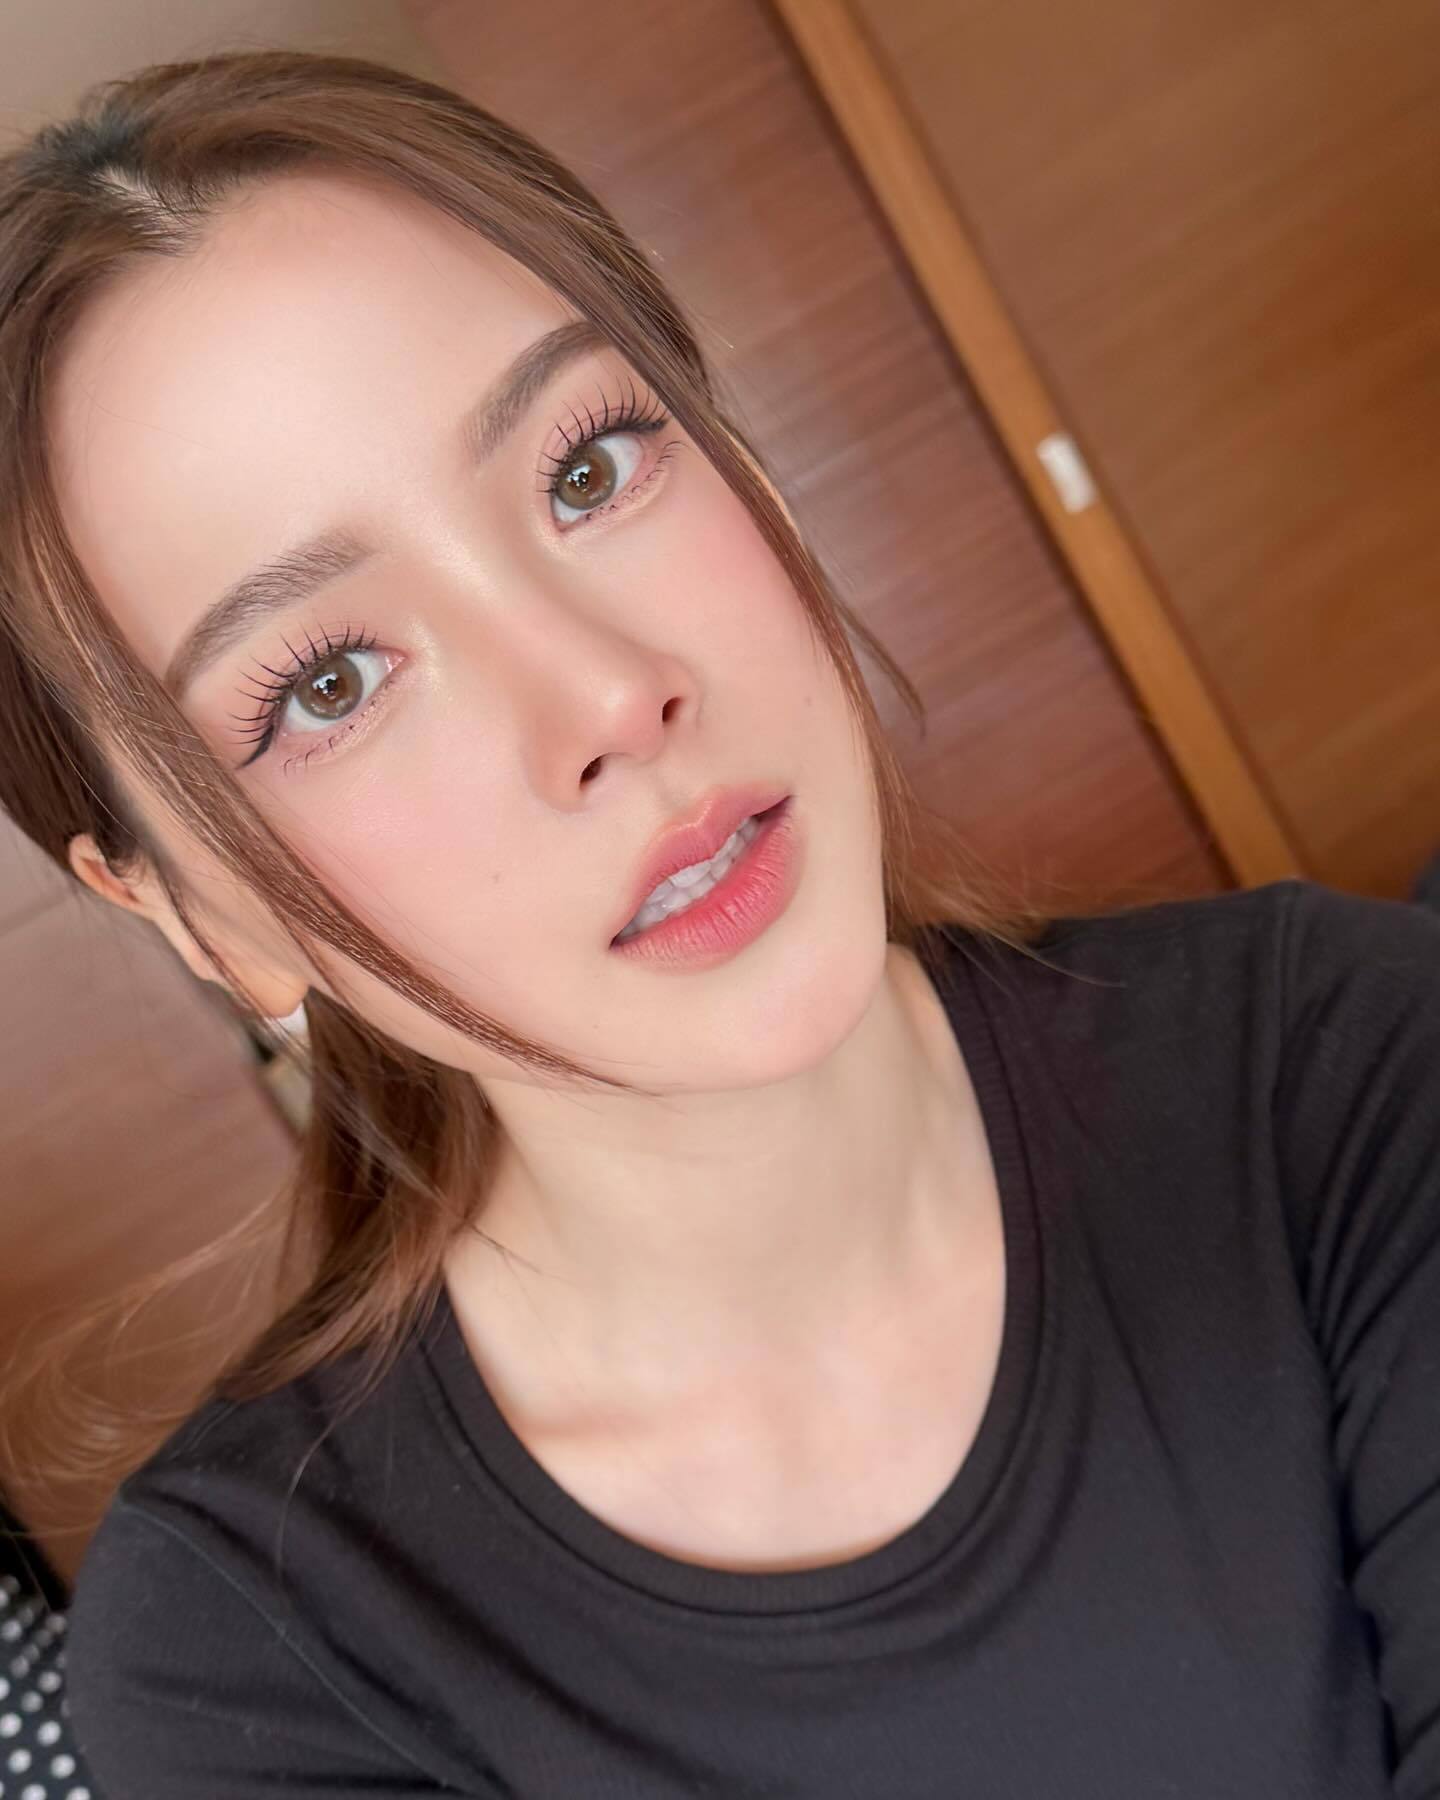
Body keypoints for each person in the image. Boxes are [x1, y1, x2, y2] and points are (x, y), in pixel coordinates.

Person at [0, 48, 1435, 1800]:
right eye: (330, 684)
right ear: (195, 914)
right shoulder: (264, 1652)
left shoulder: (1344, 1073)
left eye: (587, 467)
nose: (611, 695)